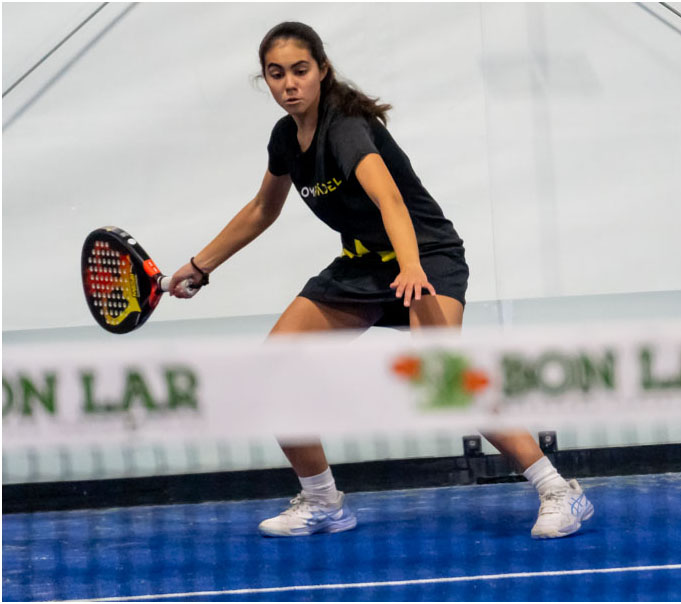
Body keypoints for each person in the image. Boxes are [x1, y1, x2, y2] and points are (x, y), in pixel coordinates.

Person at [168, 21, 593, 539]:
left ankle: (558, 491)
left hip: (426, 256)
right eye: (276, 74)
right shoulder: (285, 138)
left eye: (300, 70)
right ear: (266, 79)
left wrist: (411, 266)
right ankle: (323, 502)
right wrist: (201, 266)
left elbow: (389, 199)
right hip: (363, 266)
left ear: (322, 70)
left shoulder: (346, 126)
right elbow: (262, 209)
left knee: (446, 380)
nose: (290, 84)